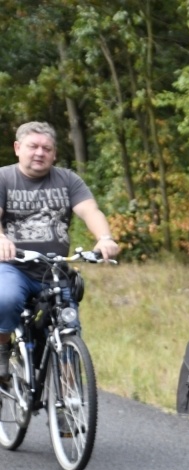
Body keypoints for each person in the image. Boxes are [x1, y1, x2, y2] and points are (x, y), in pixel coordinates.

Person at [0, 121, 119, 380]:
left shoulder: (67, 179)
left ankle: (69, 396)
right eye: (33, 146)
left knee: (68, 325)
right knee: (5, 300)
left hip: (54, 270)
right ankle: (2, 350)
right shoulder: (4, 178)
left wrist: (105, 238)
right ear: (18, 148)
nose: (40, 153)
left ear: (54, 153)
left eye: (47, 148)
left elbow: (90, 210)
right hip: (14, 267)